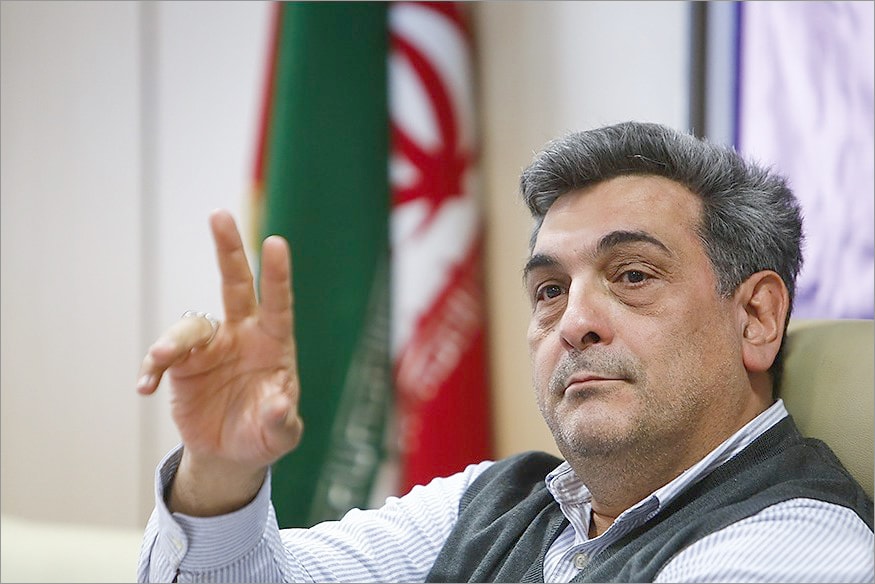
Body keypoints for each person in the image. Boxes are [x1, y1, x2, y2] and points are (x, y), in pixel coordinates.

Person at [136, 121, 874, 583]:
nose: (574, 322)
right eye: (549, 290)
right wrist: (221, 472)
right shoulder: (494, 502)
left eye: (632, 276)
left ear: (755, 317)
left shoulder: (798, 546)